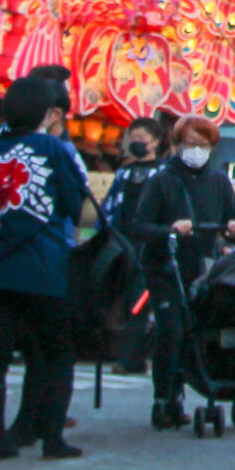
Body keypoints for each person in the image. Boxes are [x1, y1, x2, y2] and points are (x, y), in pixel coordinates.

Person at [0, 77, 90, 460]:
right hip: (42, 266)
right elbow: (74, 203)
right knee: (56, 352)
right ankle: (51, 438)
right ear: (44, 113)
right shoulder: (52, 147)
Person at [130, 114, 235, 422]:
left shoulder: (219, 181)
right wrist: (170, 230)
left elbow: (234, 222)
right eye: (191, 144)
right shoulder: (162, 181)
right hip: (165, 268)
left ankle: (190, 387)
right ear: (178, 144)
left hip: (203, 268)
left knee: (199, 330)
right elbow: (139, 226)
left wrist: (234, 231)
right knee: (172, 330)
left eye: (204, 145)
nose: (197, 150)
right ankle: (164, 397)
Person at [100, 116, 166, 373]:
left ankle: (132, 358)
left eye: (142, 139)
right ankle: (124, 354)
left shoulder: (163, 173)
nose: (137, 144)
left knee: (139, 304)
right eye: (133, 139)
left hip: (148, 248)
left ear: (155, 142)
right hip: (121, 245)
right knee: (123, 302)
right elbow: (109, 207)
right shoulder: (124, 172)